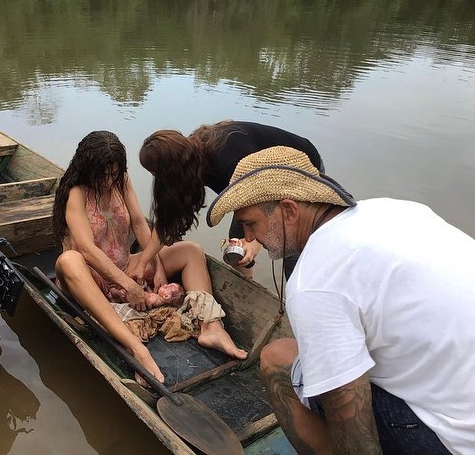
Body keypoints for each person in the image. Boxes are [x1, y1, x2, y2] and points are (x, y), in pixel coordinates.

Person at [206, 146, 475, 454]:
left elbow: (352, 424)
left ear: (289, 210)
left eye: (250, 223)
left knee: (276, 358)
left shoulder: (315, 280)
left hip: (454, 444)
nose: (249, 237)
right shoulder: (394, 209)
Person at [52, 131, 247, 385]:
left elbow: (139, 224)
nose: (109, 181)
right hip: (90, 277)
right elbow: (87, 250)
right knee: (69, 260)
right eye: (102, 175)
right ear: (86, 168)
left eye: (113, 173)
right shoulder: (75, 193)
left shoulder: (121, 180)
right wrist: (129, 285)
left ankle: (211, 327)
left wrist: (155, 267)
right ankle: (136, 348)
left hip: (123, 265)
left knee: (191, 250)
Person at [131, 120, 323, 280]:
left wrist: (254, 243)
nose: (160, 181)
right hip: (252, 188)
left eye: (160, 175)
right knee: (235, 250)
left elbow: (270, 203)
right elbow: (168, 222)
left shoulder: (229, 159)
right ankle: (249, 287)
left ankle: (299, 298)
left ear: (173, 169)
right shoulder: (188, 163)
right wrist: (142, 262)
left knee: (292, 251)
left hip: (299, 172)